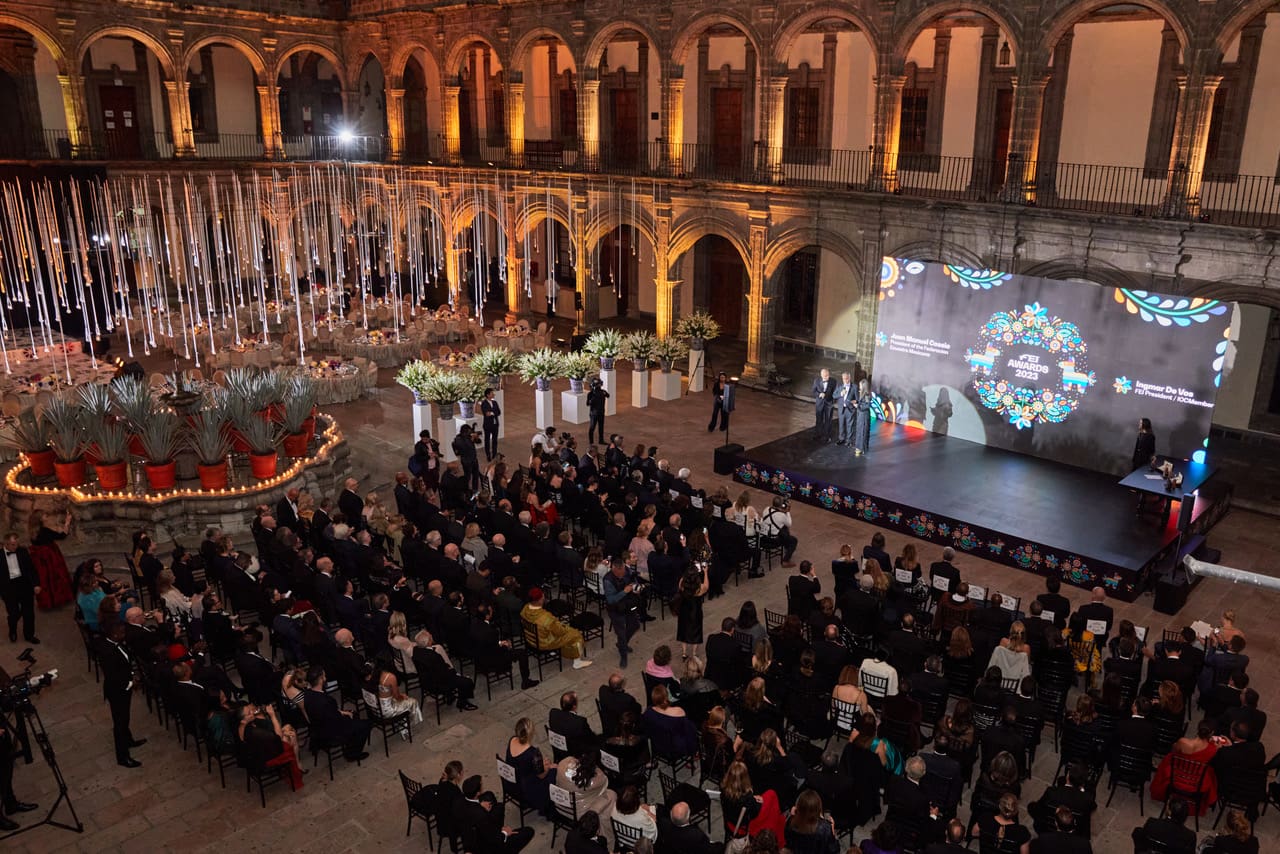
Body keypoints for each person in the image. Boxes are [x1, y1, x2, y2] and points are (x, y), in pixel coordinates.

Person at [457, 773, 536, 853]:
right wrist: (505, 832)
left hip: (476, 829)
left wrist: (480, 805)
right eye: (481, 785)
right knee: (529, 831)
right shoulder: (481, 816)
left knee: (494, 800)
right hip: (488, 845)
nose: (483, 786)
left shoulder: (461, 801)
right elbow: (495, 838)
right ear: (477, 793)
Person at [521, 587, 593, 669]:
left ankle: (553, 651)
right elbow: (560, 632)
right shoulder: (545, 617)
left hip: (531, 639)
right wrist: (566, 628)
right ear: (540, 600)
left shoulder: (525, 608)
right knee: (576, 635)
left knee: (560, 631)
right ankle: (577, 662)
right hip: (544, 642)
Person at [0, 532, 40, 644]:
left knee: (29, 612)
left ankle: (29, 635)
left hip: (24, 584)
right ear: (5, 544)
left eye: (17, 544)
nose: (16, 547)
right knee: (14, 613)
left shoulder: (22, 551)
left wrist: (36, 584)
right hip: (8, 587)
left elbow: (31, 569)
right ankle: (12, 630)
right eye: (13, 544)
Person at [28, 509, 72, 609]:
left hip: (39, 558)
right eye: (45, 515)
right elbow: (62, 536)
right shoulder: (45, 531)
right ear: (40, 519)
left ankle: (48, 601)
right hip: (49, 557)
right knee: (55, 577)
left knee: (44, 579)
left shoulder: (33, 531)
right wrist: (67, 522)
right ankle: (57, 599)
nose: (47, 517)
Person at [556, 749, 616, 819]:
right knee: (611, 794)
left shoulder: (563, 764)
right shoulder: (598, 779)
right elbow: (605, 784)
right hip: (579, 812)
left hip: (559, 803)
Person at [784, 788, 841, 854]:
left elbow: (787, 841)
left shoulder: (791, 822)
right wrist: (833, 833)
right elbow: (834, 850)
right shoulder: (825, 828)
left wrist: (792, 816)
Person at [675, 564, 708, 660]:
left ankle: (684, 653)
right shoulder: (699, 588)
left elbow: (681, 580)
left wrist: (686, 575)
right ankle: (694, 653)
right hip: (695, 612)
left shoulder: (682, 585)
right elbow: (706, 586)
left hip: (684, 611)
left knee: (683, 630)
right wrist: (705, 573)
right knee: (696, 631)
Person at [759, 497, 796, 568]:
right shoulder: (781, 515)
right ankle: (785, 561)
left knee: (784, 530)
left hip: (764, 537)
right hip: (774, 541)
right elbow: (789, 524)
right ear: (781, 505)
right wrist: (787, 511)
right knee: (794, 540)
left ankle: (786, 546)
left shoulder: (766, 509)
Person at [811, 368, 837, 442]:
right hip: (820, 403)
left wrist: (832, 401)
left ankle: (827, 436)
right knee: (819, 419)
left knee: (828, 420)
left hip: (829, 403)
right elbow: (813, 391)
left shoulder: (833, 381)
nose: (827, 377)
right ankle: (818, 434)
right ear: (821, 375)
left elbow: (835, 393)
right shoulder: (816, 381)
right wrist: (819, 394)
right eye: (825, 376)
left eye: (828, 375)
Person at [834, 371, 856, 445]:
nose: (845, 380)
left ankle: (849, 441)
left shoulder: (854, 387)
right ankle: (841, 439)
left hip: (850, 409)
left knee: (850, 426)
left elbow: (857, 399)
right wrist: (840, 394)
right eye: (844, 379)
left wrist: (855, 401)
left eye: (847, 378)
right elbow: (834, 395)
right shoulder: (840, 386)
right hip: (841, 409)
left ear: (849, 378)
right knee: (841, 425)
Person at [480, 387, 501, 462]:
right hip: (488, 425)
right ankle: (488, 455)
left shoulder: (495, 402)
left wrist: (492, 412)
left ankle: (494, 454)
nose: (493, 394)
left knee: (495, 440)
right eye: (492, 393)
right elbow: (487, 414)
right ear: (488, 395)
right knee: (487, 440)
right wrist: (493, 412)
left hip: (495, 424)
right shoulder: (484, 403)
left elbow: (499, 412)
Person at [586, 378, 609, 445]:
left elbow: (608, 395)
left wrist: (603, 393)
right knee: (592, 427)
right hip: (594, 414)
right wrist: (592, 400)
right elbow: (587, 403)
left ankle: (601, 440)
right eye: (597, 385)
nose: (598, 386)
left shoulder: (602, 392)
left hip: (601, 412)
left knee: (601, 427)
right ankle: (591, 442)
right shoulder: (591, 394)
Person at [853, 378, 873, 456]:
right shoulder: (862, 394)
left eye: (860, 385)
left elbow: (867, 406)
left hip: (864, 415)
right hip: (861, 414)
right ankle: (859, 447)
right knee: (859, 431)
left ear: (864, 386)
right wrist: (857, 402)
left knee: (863, 431)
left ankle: (862, 448)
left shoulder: (867, 395)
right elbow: (863, 403)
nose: (859, 387)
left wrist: (858, 406)